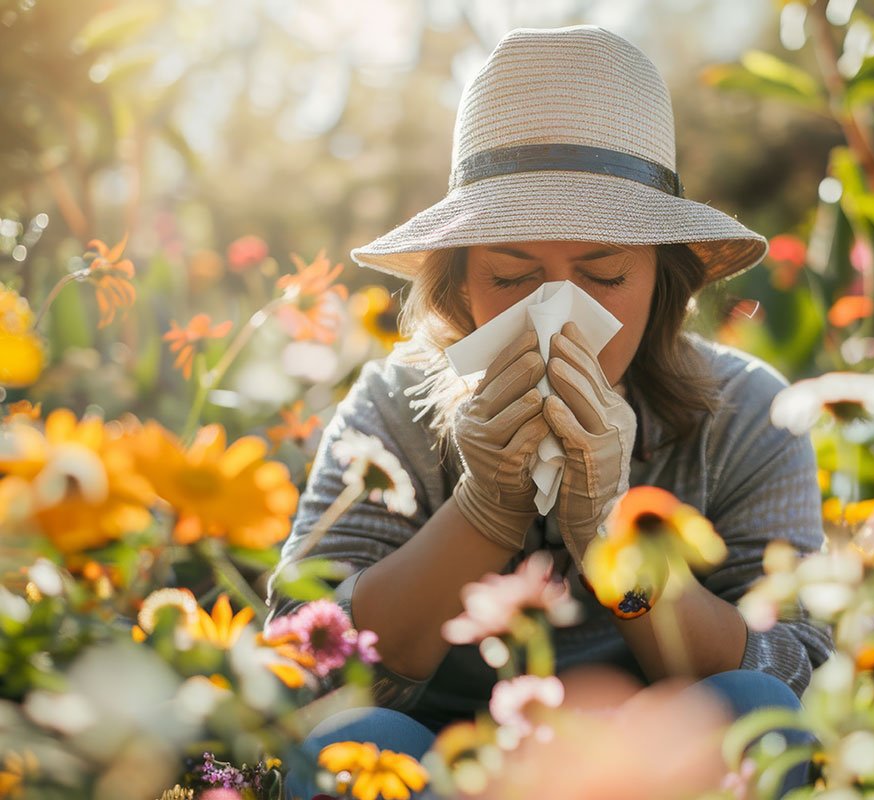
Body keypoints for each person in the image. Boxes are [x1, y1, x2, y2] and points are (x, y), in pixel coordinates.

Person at [272, 24, 830, 796]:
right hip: (450, 765)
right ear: (459, 282)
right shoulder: (391, 409)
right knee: (352, 742)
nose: (557, 317)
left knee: (752, 708)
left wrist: (612, 536)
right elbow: (305, 667)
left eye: (602, 276)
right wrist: (484, 511)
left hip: (655, 770)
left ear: (662, 280)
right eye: (511, 278)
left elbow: (796, 673)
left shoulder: (747, 414)